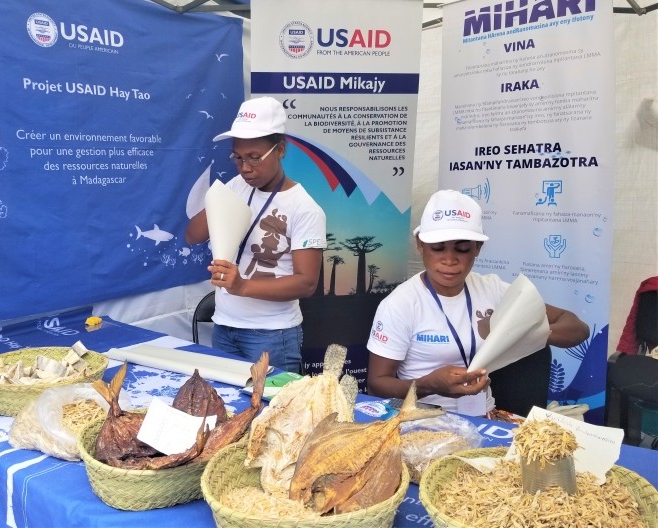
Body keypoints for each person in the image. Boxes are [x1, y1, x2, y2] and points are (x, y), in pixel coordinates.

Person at [366, 189, 589, 415]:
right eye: (437, 248)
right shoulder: (400, 304)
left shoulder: (493, 290)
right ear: (420, 244)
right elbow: (376, 384)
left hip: (485, 417)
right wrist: (429, 385)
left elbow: (577, 327)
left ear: (477, 248)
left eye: (462, 249)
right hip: (423, 419)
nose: (449, 259)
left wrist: (521, 332)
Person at [185, 96, 327, 372]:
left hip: (272, 335)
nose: (245, 168)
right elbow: (192, 236)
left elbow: (307, 283)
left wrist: (242, 286)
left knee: (272, 401)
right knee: (226, 399)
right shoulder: (237, 185)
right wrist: (218, 199)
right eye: (237, 158)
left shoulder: (305, 208)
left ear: (280, 150)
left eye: (254, 157)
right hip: (224, 325)